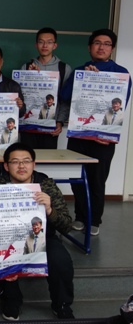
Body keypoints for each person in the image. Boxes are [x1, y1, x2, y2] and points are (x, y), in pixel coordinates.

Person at [0, 142, 74, 320]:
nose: (21, 166)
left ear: (34, 164)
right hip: (7, 237)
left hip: (44, 237)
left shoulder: (46, 185)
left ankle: (62, 305)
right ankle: (11, 299)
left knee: (60, 260)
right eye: (15, 162)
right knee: (0, 254)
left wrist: (49, 210)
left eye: (26, 161)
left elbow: (66, 225)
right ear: (6, 166)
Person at [61, 29, 131, 236]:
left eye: (107, 44)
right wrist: (85, 79)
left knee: (97, 181)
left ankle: (94, 220)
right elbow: (64, 96)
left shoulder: (121, 73)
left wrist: (106, 133)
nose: (101, 47)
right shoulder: (79, 71)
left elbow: (120, 106)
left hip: (103, 140)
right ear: (90, 47)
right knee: (77, 179)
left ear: (112, 48)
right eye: (97, 43)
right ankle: (80, 217)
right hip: (79, 136)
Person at [20, 28, 72, 149]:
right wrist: (30, 76)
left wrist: (60, 122)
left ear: (55, 45)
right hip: (28, 125)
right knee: (27, 157)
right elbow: (21, 96)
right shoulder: (26, 67)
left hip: (51, 126)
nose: (45, 45)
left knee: (48, 159)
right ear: (36, 45)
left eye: (49, 42)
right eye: (41, 42)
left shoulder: (64, 68)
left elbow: (65, 99)